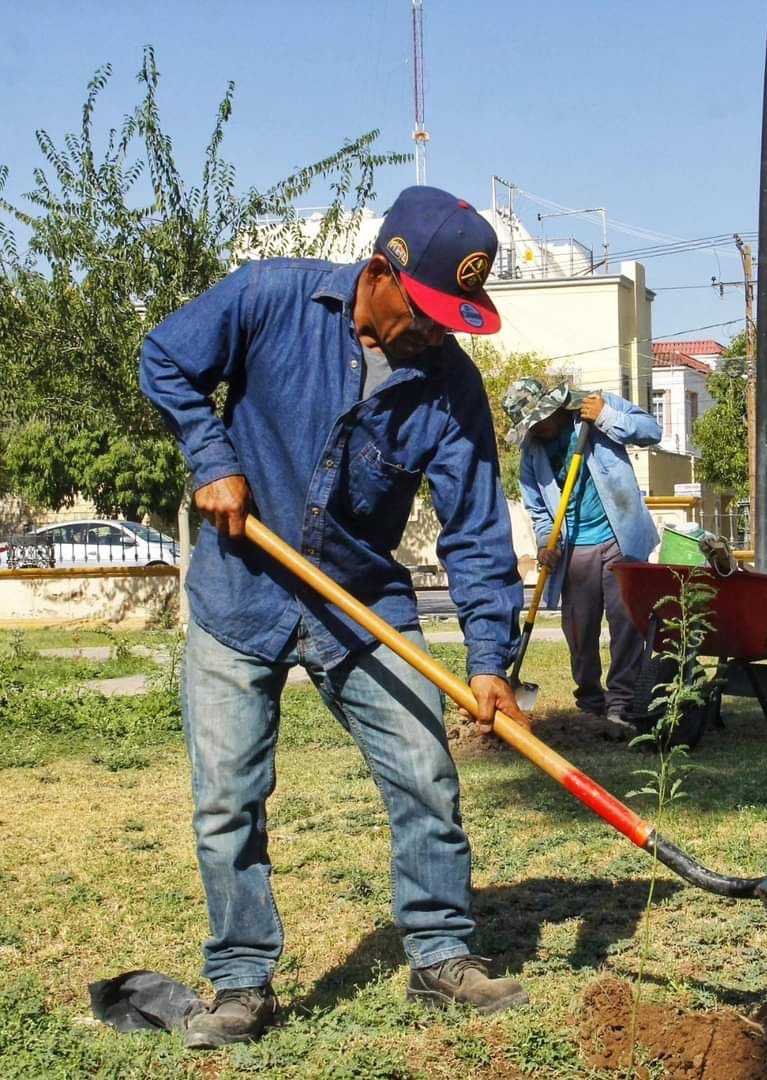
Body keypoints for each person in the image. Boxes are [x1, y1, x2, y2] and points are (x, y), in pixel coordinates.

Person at [140, 186, 533, 1049]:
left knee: (424, 771)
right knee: (227, 801)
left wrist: (491, 661)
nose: (440, 332)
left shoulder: (451, 387)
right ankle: (243, 982)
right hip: (240, 592)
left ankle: (440, 956)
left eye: (454, 317)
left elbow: (475, 532)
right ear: (378, 274)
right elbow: (162, 356)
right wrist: (211, 457)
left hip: (361, 605)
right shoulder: (270, 297)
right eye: (428, 311)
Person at [503, 379, 661, 732]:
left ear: (554, 409)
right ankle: (590, 703)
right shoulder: (532, 452)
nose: (535, 430)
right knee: (579, 630)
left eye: (537, 421)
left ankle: (621, 702)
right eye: (528, 425)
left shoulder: (595, 406)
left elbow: (652, 430)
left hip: (622, 535)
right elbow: (539, 511)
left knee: (627, 624)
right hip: (575, 547)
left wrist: (606, 417)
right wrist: (548, 543)